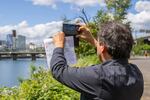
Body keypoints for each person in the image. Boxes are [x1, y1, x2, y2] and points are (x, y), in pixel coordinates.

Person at [51, 21, 144, 100]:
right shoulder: (136, 72)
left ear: (102, 46)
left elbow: (58, 70)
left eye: (99, 43)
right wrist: (93, 41)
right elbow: (109, 57)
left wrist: (59, 45)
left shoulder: (98, 77)